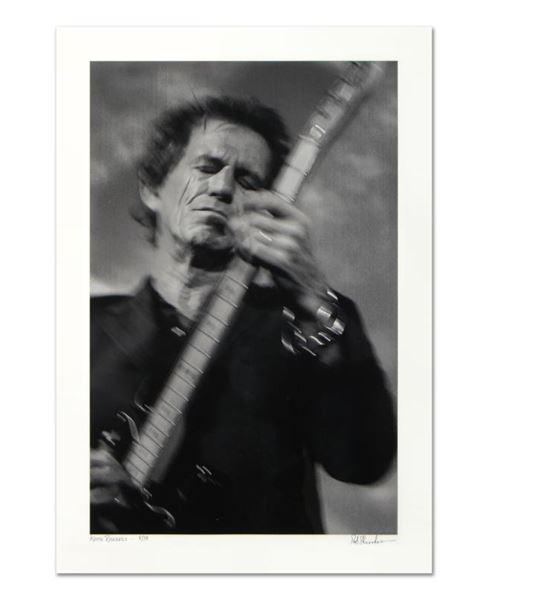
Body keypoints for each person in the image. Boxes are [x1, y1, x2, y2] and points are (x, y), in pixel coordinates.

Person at [90, 96, 396, 534]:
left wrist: (315, 302)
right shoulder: (79, 330)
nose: (222, 188)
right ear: (153, 189)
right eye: (207, 166)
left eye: (248, 181)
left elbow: (363, 462)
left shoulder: (305, 321)